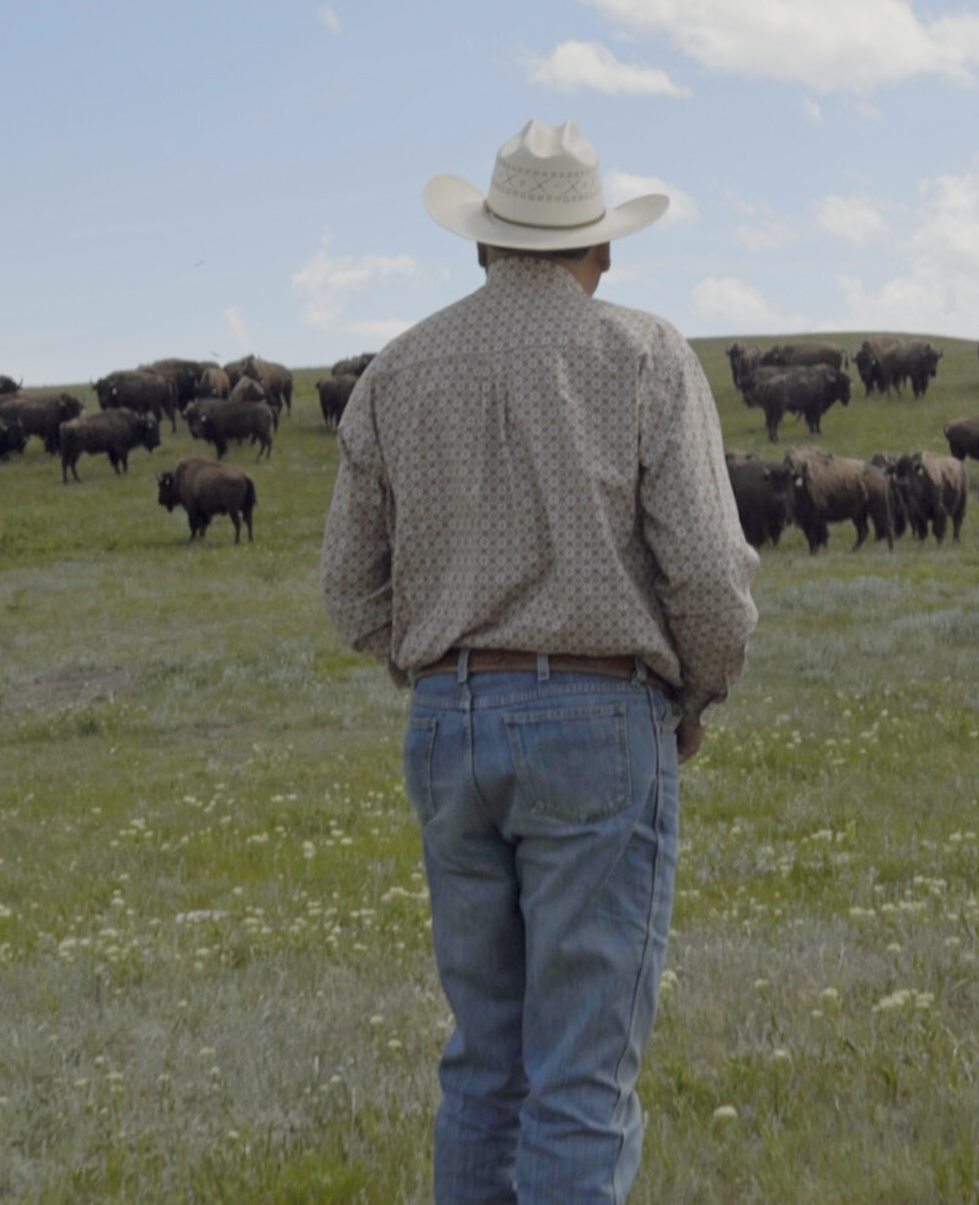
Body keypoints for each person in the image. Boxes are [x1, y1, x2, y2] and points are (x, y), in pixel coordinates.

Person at [320, 120, 759, 1204]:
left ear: (481, 243)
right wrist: (694, 694)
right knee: (579, 1076)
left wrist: (432, 666)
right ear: (598, 250)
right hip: (600, 721)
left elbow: (346, 589)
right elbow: (706, 570)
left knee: (483, 1063)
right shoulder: (645, 355)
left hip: (446, 724)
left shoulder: (396, 371)